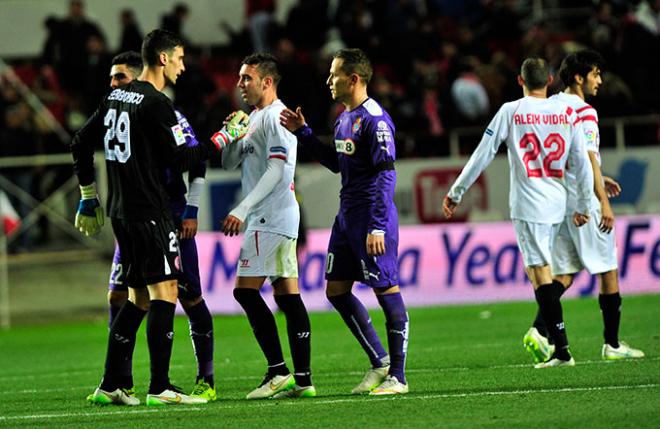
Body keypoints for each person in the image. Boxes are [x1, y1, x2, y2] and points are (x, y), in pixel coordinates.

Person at [70, 29, 246, 406]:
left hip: (120, 213)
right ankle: (160, 386)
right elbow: (180, 160)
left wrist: (88, 196)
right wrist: (222, 137)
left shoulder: (115, 96)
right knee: (165, 292)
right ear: (163, 58)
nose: (184, 66)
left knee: (136, 299)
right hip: (150, 213)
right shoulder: (157, 103)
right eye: (180, 58)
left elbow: (79, 142)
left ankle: (111, 384)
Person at [442, 57, 594, 368]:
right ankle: (553, 342)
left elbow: (483, 154)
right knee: (542, 274)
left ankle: (562, 350)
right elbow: (580, 159)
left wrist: (456, 191)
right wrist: (581, 203)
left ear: (520, 81)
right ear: (550, 80)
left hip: (529, 205)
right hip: (559, 202)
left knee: (541, 276)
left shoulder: (511, 111)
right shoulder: (567, 111)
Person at [280, 48, 409, 395]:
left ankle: (398, 376)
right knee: (336, 290)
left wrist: (378, 225)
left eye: (334, 74)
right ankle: (379, 361)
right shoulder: (343, 118)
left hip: (371, 215)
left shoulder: (375, 120)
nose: (328, 80)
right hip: (346, 216)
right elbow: (337, 164)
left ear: (353, 79)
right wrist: (305, 133)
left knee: (386, 288)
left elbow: (386, 175)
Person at [105, 51, 217, 401]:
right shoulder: (123, 111)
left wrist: (191, 210)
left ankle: (205, 378)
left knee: (187, 294)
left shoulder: (169, 115)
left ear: (138, 75)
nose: (115, 85)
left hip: (168, 217)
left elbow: (195, 162)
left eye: (121, 78)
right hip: (135, 217)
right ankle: (120, 379)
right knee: (120, 295)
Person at [523, 50, 644, 363]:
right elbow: (587, 155)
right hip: (584, 201)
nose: (600, 81)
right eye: (596, 74)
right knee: (608, 270)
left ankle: (540, 329)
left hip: (557, 200)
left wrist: (601, 176)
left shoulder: (547, 106)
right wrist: (603, 200)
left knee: (564, 273)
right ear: (579, 77)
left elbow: (559, 156)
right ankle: (612, 345)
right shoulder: (585, 112)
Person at [216, 53, 315, 399]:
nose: (240, 84)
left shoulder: (278, 117)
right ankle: (302, 379)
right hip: (272, 216)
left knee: (245, 291)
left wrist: (242, 209)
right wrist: (231, 134)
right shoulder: (256, 118)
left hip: (270, 215)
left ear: (267, 82)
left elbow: (277, 170)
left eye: (247, 78)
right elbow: (230, 162)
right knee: (288, 297)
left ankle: (278, 371)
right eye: (240, 77)